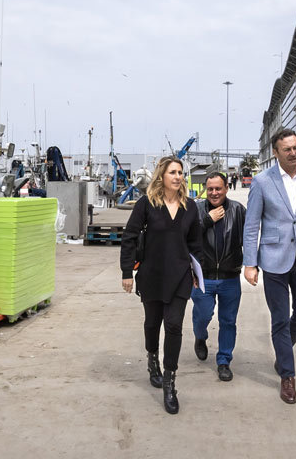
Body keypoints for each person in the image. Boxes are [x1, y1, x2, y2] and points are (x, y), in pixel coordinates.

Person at [242, 129, 296, 405]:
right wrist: (250, 264)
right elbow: (252, 225)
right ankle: (288, 376)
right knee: (279, 318)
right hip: (274, 259)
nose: (293, 152)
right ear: (275, 153)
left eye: (295, 147)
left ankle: (282, 352)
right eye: (286, 149)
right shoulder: (262, 181)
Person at [121, 156, 201, 415]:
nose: (178, 177)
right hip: (152, 275)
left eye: (180, 173)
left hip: (180, 277)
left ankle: (170, 381)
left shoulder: (191, 207)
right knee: (152, 323)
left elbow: (196, 244)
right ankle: (152, 359)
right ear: (161, 177)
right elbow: (130, 237)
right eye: (172, 173)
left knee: (175, 325)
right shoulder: (146, 204)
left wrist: (200, 270)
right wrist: (126, 272)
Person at [192, 172, 246, 382]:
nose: (214, 193)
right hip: (202, 277)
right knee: (203, 315)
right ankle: (200, 336)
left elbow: (248, 237)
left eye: (218, 188)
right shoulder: (195, 210)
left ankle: (224, 360)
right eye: (211, 189)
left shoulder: (238, 210)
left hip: (229, 277)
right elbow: (185, 236)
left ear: (226, 188)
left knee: (228, 321)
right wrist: (207, 220)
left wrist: (251, 264)